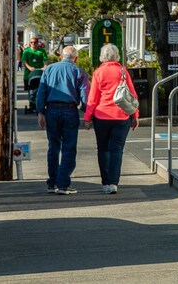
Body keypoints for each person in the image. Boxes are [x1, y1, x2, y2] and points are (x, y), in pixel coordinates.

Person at [84, 43, 139, 194]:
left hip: (101, 116)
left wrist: (87, 118)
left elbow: (93, 98)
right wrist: (135, 115)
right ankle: (114, 183)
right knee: (116, 150)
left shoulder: (98, 73)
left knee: (102, 149)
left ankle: (105, 182)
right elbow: (132, 95)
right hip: (121, 115)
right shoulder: (123, 71)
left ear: (102, 56)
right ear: (116, 56)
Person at [35, 46, 89, 195]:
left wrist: (41, 111)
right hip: (70, 110)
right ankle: (63, 183)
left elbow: (41, 91)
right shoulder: (79, 72)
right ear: (75, 58)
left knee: (53, 147)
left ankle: (52, 183)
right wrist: (87, 114)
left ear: (61, 57)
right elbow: (85, 96)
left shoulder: (49, 69)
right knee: (69, 148)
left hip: (51, 109)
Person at [22, 37, 49, 113]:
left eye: (35, 42)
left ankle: (40, 104)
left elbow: (46, 60)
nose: (33, 44)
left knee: (40, 90)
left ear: (37, 43)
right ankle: (31, 104)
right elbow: (24, 61)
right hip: (29, 75)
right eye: (31, 42)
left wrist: (45, 66)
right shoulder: (26, 51)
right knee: (30, 90)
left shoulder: (41, 51)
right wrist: (29, 67)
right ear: (29, 43)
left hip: (39, 74)